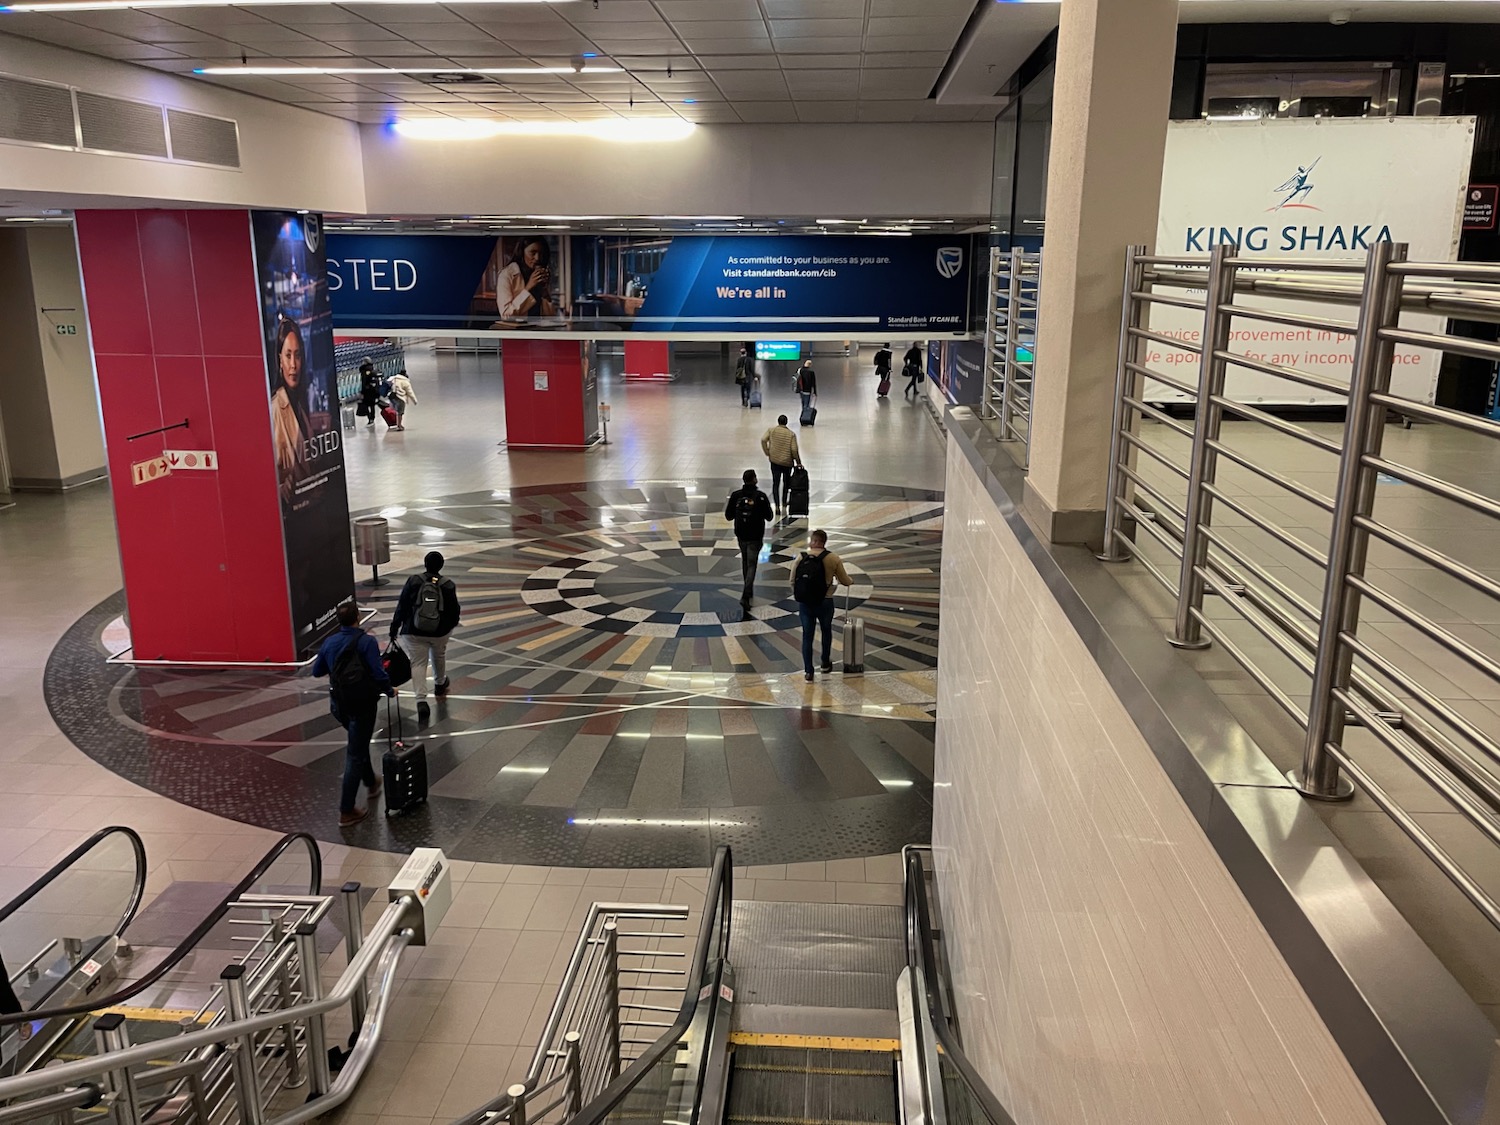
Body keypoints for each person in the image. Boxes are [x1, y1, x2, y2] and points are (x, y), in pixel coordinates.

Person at [313, 601, 394, 827]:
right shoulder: (366, 642)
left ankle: (371, 781)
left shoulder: (330, 642)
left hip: (340, 705)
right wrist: (389, 690)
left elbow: (317, 670)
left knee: (358, 742)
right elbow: (378, 673)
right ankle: (346, 810)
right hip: (362, 705)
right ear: (358, 617)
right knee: (354, 755)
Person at [390, 551, 461, 723]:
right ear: (441, 566)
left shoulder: (414, 581)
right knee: (439, 655)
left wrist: (395, 627)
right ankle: (440, 684)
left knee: (418, 662)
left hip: (413, 631)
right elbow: (455, 612)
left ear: (425, 563)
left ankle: (421, 700)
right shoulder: (448, 585)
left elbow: (402, 605)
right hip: (440, 632)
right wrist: (448, 627)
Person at [790, 528, 853, 683]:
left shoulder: (801, 557)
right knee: (826, 630)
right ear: (824, 542)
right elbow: (845, 580)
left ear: (815, 541)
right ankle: (825, 662)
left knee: (807, 635)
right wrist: (851, 581)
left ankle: (809, 671)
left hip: (806, 604)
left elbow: (792, 581)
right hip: (825, 601)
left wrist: (803, 594)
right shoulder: (833, 558)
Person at [269, 318, 311, 506]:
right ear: (279, 359)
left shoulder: (300, 403)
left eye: (298, 355)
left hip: (311, 503)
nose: (293, 365)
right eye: (288, 355)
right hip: (296, 510)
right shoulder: (276, 408)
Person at [724, 469, 774, 609]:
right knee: (752, 564)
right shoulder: (761, 497)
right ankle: (746, 594)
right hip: (755, 535)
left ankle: (748, 588)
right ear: (754, 479)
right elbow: (769, 516)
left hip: (741, 534)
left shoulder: (736, 496)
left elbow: (728, 516)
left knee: (745, 561)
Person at [498, 239, 559, 323]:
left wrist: (544, 291)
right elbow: (506, 315)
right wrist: (528, 287)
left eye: (541, 254)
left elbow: (551, 317)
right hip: (517, 332)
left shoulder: (539, 273)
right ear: (522, 252)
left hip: (539, 330)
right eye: (533, 253)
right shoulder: (507, 274)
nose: (537, 258)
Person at [760, 415, 801, 518]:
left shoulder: (771, 430)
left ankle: (777, 505)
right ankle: (784, 503)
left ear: (778, 421)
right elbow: (794, 450)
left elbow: (763, 440)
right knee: (786, 484)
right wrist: (798, 462)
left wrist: (767, 452)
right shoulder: (791, 434)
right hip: (787, 463)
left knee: (776, 483)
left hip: (775, 461)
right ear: (786, 422)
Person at [358, 359, 380, 427]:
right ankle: (372, 419)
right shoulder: (373, 369)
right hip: (373, 391)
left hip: (367, 392)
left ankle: (370, 418)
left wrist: (362, 392)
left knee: (365, 405)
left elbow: (364, 382)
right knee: (372, 405)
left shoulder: (364, 371)